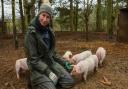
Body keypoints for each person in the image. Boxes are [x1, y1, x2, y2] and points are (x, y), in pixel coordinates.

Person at [24, 4, 75, 89]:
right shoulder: (31, 33)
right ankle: (35, 81)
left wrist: (66, 64)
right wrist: (48, 72)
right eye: (43, 15)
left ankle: (48, 83)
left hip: (50, 62)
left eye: (48, 17)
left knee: (69, 82)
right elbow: (33, 60)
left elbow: (53, 53)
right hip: (37, 67)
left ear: (50, 19)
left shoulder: (49, 32)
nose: (45, 19)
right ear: (39, 14)